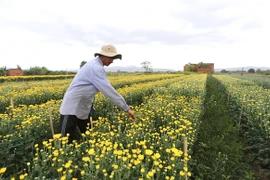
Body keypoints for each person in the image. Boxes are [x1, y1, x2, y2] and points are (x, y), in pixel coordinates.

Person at [59, 44, 136, 142]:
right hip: (71, 107)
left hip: (83, 106)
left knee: (88, 137)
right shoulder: (95, 68)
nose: (112, 61)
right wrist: (126, 108)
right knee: (65, 140)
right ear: (103, 56)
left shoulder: (95, 65)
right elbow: (108, 91)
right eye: (111, 58)